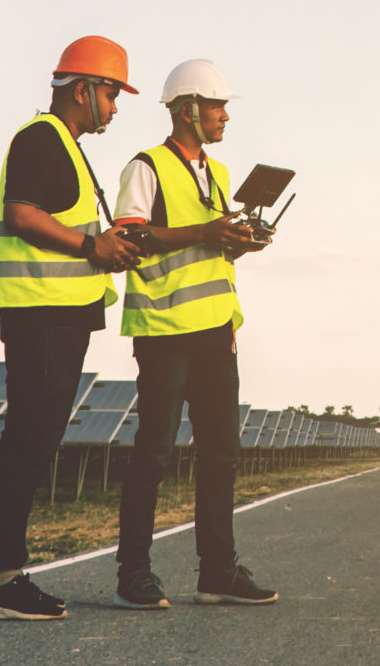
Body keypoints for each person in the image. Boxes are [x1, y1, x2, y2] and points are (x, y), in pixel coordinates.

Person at [0, 36, 142, 621]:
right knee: (28, 442)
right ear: (84, 90)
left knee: (35, 441)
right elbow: (21, 213)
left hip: (58, 316)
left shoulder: (63, 145)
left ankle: (3, 578)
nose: (115, 108)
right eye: (113, 94)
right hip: (40, 314)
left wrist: (107, 249)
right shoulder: (41, 138)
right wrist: (93, 245)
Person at [110, 58, 276, 610]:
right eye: (217, 106)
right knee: (154, 453)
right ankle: (133, 573)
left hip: (215, 332)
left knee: (221, 454)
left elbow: (208, 251)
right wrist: (206, 231)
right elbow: (131, 236)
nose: (225, 116)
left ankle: (217, 573)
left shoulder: (220, 175)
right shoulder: (146, 167)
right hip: (163, 331)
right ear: (187, 110)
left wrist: (237, 244)